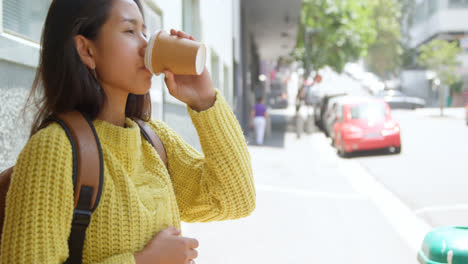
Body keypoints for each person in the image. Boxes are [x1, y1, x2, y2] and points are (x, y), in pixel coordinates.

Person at [0, 0, 256, 263]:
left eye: (145, 31)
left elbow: (235, 198)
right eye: (130, 31)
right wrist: (143, 260)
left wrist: (204, 100)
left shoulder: (153, 140)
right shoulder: (52, 150)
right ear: (87, 50)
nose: (147, 45)